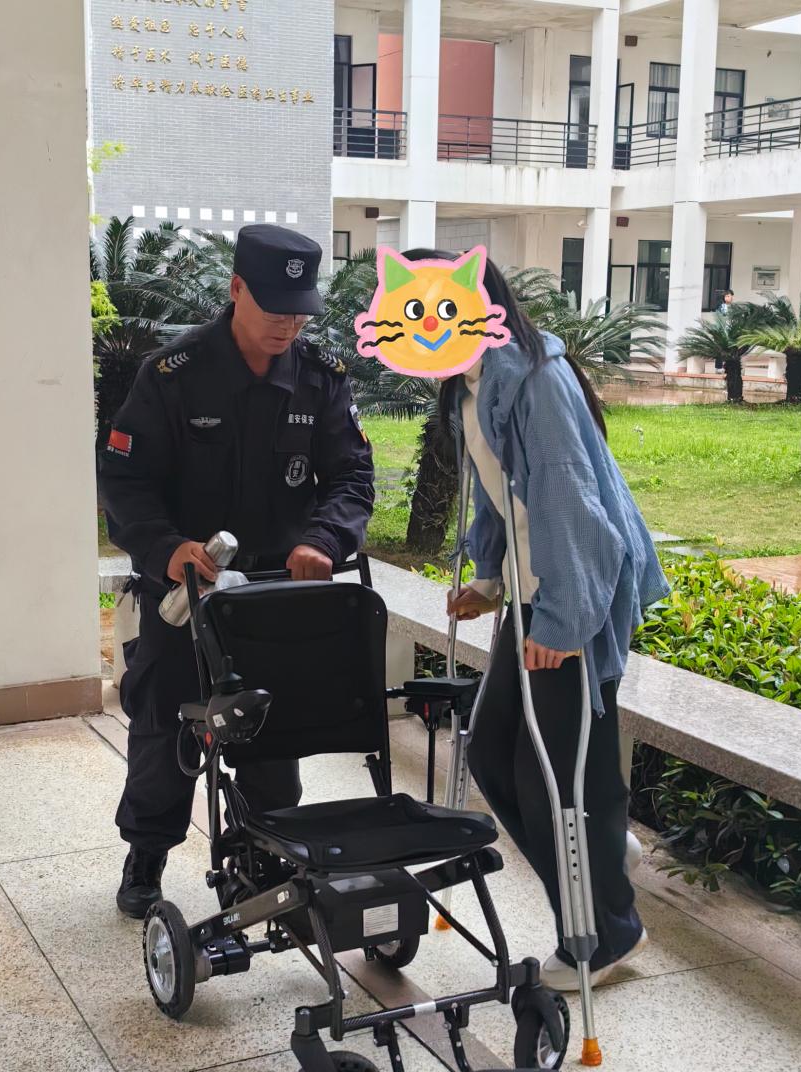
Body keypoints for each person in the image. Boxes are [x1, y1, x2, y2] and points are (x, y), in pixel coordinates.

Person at [402, 247, 669, 992]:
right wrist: (489, 582)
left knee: (556, 776)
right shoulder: (470, 384)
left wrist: (560, 623)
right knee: (492, 756)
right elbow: (502, 496)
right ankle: (606, 857)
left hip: (570, 598)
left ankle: (606, 933)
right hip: (530, 595)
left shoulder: (535, 377)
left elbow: (570, 505)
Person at [97, 224, 374, 917]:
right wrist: (166, 547)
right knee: (165, 724)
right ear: (236, 289)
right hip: (185, 591)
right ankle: (148, 851)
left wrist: (324, 540)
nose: (289, 324)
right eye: (275, 307)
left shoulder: (321, 377)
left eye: (299, 311)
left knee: (274, 732)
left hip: (276, 597)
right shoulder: (172, 375)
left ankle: (266, 850)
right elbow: (125, 481)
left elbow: (352, 478)